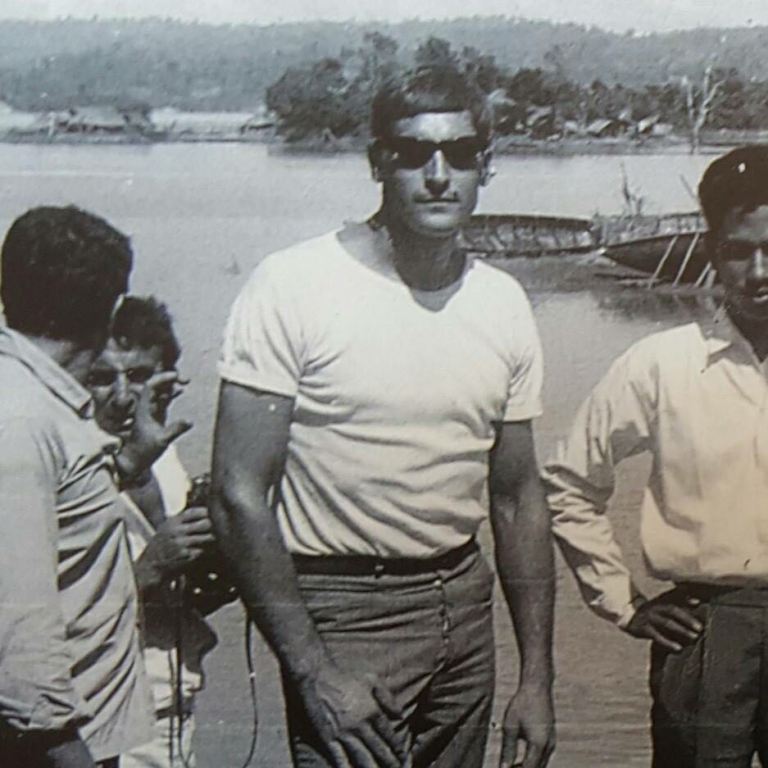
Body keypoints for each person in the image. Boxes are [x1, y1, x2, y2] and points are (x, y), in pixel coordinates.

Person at [211, 66, 555, 768]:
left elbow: (518, 498)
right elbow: (237, 492)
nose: (439, 176)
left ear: (485, 165)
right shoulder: (295, 285)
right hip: (345, 610)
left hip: (464, 604)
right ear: (378, 162)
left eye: (460, 154)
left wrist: (537, 680)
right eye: (414, 154)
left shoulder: (502, 301)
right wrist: (313, 670)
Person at [545, 145, 768, 767]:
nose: (758, 272)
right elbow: (568, 483)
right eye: (738, 250)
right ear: (711, 251)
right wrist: (626, 603)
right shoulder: (660, 365)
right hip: (707, 632)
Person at [0, 206, 180, 768]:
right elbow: (19, 626)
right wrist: (66, 750)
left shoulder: (36, 401)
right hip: (52, 749)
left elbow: (53, 518)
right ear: (106, 313)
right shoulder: (23, 418)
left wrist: (126, 465)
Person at [86, 296, 218, 768]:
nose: (124, 396)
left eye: (140, 375)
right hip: (102, 717)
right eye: (102, 378)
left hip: (172, 704)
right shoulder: (66, 471)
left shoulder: (165, 461)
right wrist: (150, 568)